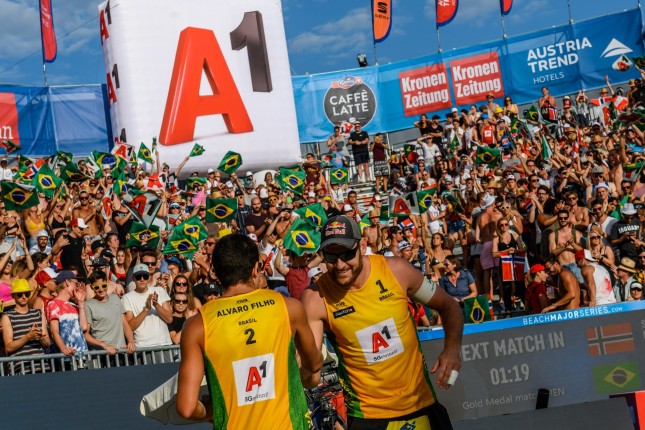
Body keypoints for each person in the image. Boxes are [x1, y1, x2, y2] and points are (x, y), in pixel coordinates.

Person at [301, 215, 463, 429]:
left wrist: (452, 349)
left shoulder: (397, 270)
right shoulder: (315, 298)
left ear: (362, 246)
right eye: (331, 257)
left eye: (347, 255)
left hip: (420, 403)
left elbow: (449, 306)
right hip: (367, 415)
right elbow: (310, 370)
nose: (340, 265)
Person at [176, 234, 322, 427]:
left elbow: (186, 408)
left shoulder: (197, 325)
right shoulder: (288, 307)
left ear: (215, 273)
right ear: (255, 269)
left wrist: (212, 410)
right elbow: (314, 365)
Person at [2, 279, 51, 374]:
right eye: (20, 294)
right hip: (21, 370)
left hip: (42, 367)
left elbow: (47, 342)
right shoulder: (8, 316)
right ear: (13, 296)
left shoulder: (38, 313)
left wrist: (39, 337)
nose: (24, 297)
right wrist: (28, 336)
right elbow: (8, 347)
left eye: (27, 294)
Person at [84, 270, 136, 355]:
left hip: (121, 351)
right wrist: (104, 345)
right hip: (102, 354)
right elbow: (85, 335)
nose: (101, 290)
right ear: (92, 287)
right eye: (97, 287)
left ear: (107, 283)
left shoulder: (115, 298)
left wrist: (131, 342)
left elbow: (125, 324)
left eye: (103, 286)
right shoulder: (88, 304)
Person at [122, 263, 173, 347]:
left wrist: (156, 305)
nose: (142, 279)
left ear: (149, 278)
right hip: (143, 346)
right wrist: (146, 309)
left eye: (145, 276)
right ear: (133, 278)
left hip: (164, 343)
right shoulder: (127, 297)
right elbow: (129, 327)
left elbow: (169, 319)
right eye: (138, 277)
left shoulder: (159, 290)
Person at [45, 271, 89, 357]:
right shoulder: (53, 304)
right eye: (76, 283)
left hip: (82, 354)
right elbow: (54, 331)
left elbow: (84, 327)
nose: (77, 287)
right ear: (67, 282)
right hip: (67, 356)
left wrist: (81, 303)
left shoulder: (75, 306)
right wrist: (63, 348)